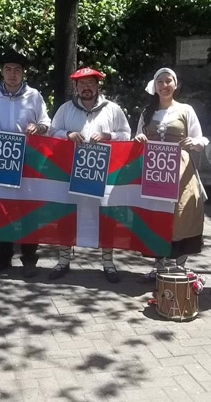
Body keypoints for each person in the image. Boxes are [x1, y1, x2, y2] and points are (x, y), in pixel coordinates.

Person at [48, 67, 131, 283]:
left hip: (103, 175)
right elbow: (51, 131)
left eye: (90, 83)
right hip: (71, 174)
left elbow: (126, 134)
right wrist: (67, 134)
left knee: (105, 218)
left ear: (97, 86)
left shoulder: (112, 109)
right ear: (76, 87)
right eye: (82, 84)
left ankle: (108, 263)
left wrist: (108, 135)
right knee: (67, 215)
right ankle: (63, 260)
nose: (86, 88)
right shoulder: (66, 109)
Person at [0, 49, 51, 277]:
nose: (12, 74)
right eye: (8, 70)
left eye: (17, 70)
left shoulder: (34, 95)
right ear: (2, 72)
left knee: (29, 209)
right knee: (3, 209)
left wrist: (38, 128)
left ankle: (29, 259)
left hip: (28, 160)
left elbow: (46, 123)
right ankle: (2, 258)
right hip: (2, 159)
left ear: (23, 73)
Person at [134, 68, 208, 276]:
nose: (164, 85)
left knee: (181, 212)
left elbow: (201, 139)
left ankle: (179, 263)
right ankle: (158, 263)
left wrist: (194, 142)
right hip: (154, 170)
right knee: (156, 214)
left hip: (181, 170)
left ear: (175, 85)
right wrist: (139, 139)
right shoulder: (147, 112)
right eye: (160, 82)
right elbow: (138, 138)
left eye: (168, 81)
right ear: (154, 86)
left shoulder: (186, 110)